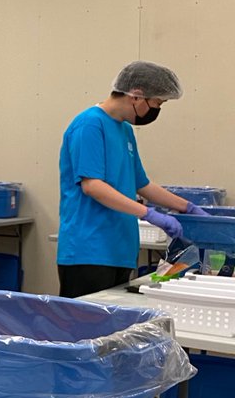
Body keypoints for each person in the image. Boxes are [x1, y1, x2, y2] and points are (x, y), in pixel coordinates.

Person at [57, 61, 201, 299]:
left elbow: (142, 184)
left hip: (120, 249)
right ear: (136, 96)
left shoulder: (124, 130)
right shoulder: (89, 125)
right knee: (84, 331)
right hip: (89, 250)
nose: (157, 110)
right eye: (157, 103)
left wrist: (187, 207)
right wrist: (148, 214)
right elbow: (93, 186)